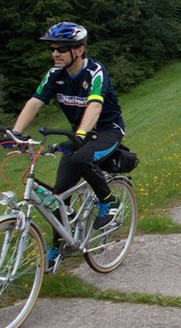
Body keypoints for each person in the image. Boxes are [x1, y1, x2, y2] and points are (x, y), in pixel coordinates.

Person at [11, 22, 125, 270]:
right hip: (79, 134)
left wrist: (82, 134)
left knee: (81, 158)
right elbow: (35, 101)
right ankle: (58, 247)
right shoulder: (55, 74)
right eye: (52, 49)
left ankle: (109, 201)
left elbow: (95, 105)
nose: (55, 53)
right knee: (58, 198)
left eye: (62, 48)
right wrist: (15, 133)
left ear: (79, 50)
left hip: (107, 130)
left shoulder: (95, 71)